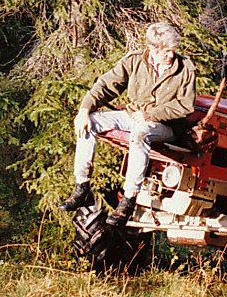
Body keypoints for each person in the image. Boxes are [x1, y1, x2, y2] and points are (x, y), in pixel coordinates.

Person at [59, 22, 196, 225]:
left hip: (165, 126)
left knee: (141, 131)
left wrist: (151, 115)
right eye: (166, 51)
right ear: (152, 48)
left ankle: (129, 199)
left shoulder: (185, 69)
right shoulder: (134, 61)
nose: (171, 55)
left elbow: (185, 105)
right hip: (132, 116)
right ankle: (82, 187)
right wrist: (84, 109)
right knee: (91, 122)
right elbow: (106, 85)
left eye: (173, 50)